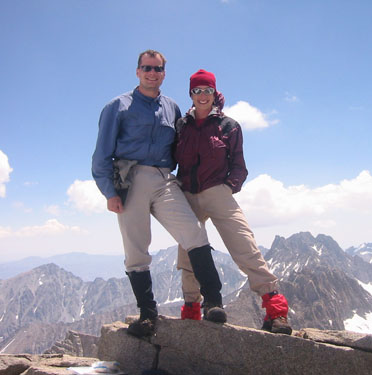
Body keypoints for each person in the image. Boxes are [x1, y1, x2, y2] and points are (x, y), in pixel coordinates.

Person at [91, 51, 226, 337]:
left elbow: (185, 142)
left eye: (158, 69)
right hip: (131, 179)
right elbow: (101, 154)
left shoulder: (172, 107)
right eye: (147, 68)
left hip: (165, 178)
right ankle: (148, 315)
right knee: (136, 250)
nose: (152, 73)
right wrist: (109, 192)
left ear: (164, 73)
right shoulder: (117, 107)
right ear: (138, 71)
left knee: (194, 233)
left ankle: (213, 302)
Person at [174, 69, 292, 335]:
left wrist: (228, 188)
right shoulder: (181, 126)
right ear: (190, 95)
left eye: (207, 90)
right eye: (197, 90)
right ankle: (192, 310)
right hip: (187, 195)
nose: (202, 95)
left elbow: (239, 166)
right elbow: (171, 158)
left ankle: (276, 311)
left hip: (217, 192)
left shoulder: (229, 126)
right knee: (189, 253)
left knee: (244, 246)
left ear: (214, 93)